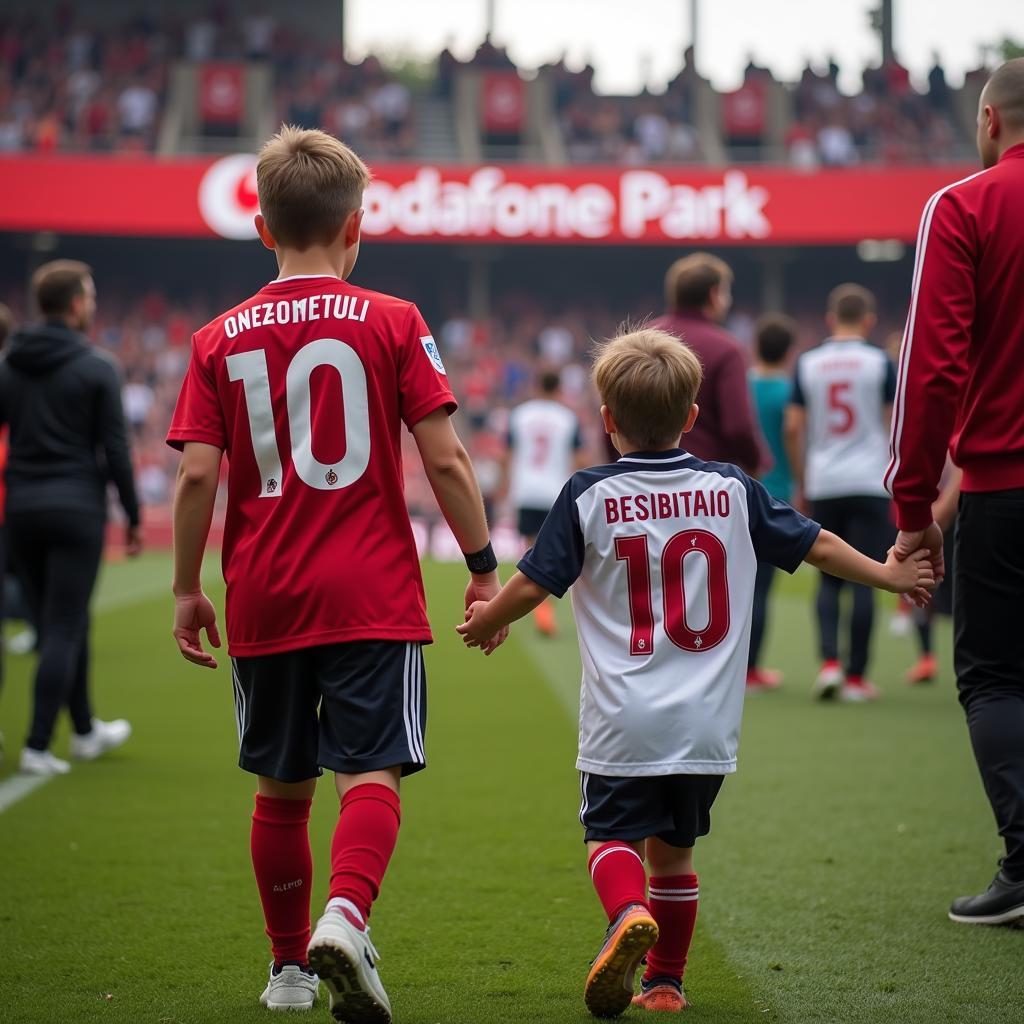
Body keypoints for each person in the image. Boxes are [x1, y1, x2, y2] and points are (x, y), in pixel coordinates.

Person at [457, 329, 933, 1016]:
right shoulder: (731, 487)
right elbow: (818, 544)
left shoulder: (588, 493)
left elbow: (534, 582)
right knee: (674, 856)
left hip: (624, 716)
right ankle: (665, 984)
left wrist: (490, 618)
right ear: (690, 416)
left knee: (610, 837)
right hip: (707, 722)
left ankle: (625, 914)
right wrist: (888, 575)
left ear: (607, 419)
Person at [167, 125, 504, 1020]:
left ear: (262, 228)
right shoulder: (394, 320)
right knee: (372, 773)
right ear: (356, 227)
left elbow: (198, 473)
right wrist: (481, 569)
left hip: (265, 594)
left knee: (281, 791)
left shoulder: (214, 339)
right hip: (371, 592)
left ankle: (287, 972)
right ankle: (347, 917)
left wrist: (185, 587)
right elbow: (447, 461)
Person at [887, 59, 1024, 925]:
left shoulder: (966, 205)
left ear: (988, 121)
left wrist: (912, 512)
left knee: (999, 679)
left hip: (1007, 490)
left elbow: (931, 372)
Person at [0, 261, 139, 776]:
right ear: (77, 304)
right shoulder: (97, 366)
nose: (95, 304)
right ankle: (38, 744)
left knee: (58, 622)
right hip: (77, 506)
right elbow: (117, 450)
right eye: (92, 295)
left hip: (20, 510)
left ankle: (84, 728)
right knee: (63, 626)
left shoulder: (9, 363)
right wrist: (130, 513)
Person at [784, 284, 896, 702]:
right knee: (866, 579)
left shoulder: (808, 363)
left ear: (830, 319)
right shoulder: (880, 362)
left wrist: (802, 480)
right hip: (870, 479)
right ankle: (856, 677)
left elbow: (793, 427)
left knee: (828, 580)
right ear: (868, 320)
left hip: (824, 479)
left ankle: (829, 663)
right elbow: (895, 421)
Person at [652, 253, 766, 475]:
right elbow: (738, 427)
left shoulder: (639, 341)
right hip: (707, 486)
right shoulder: (727, 349)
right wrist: (754, 464)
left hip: (642, 485)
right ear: (715, 294)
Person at [503, 369, 587, 635]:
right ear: (559, 388)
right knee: (549, 552)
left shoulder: (520, 414)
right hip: (555, 492)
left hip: (526, 491)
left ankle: (538, 609)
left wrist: (506, 487)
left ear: (537, 385)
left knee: (530, 550)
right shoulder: (567, 418)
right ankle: (543, 610)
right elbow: (580, 459)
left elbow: (507, 454)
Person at [746, 314, 797, 690]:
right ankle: (750, 670)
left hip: (734, 493)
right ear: (789, 351)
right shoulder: (789, 392)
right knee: (760, 588)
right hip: (776, 492)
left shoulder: (742, 387)